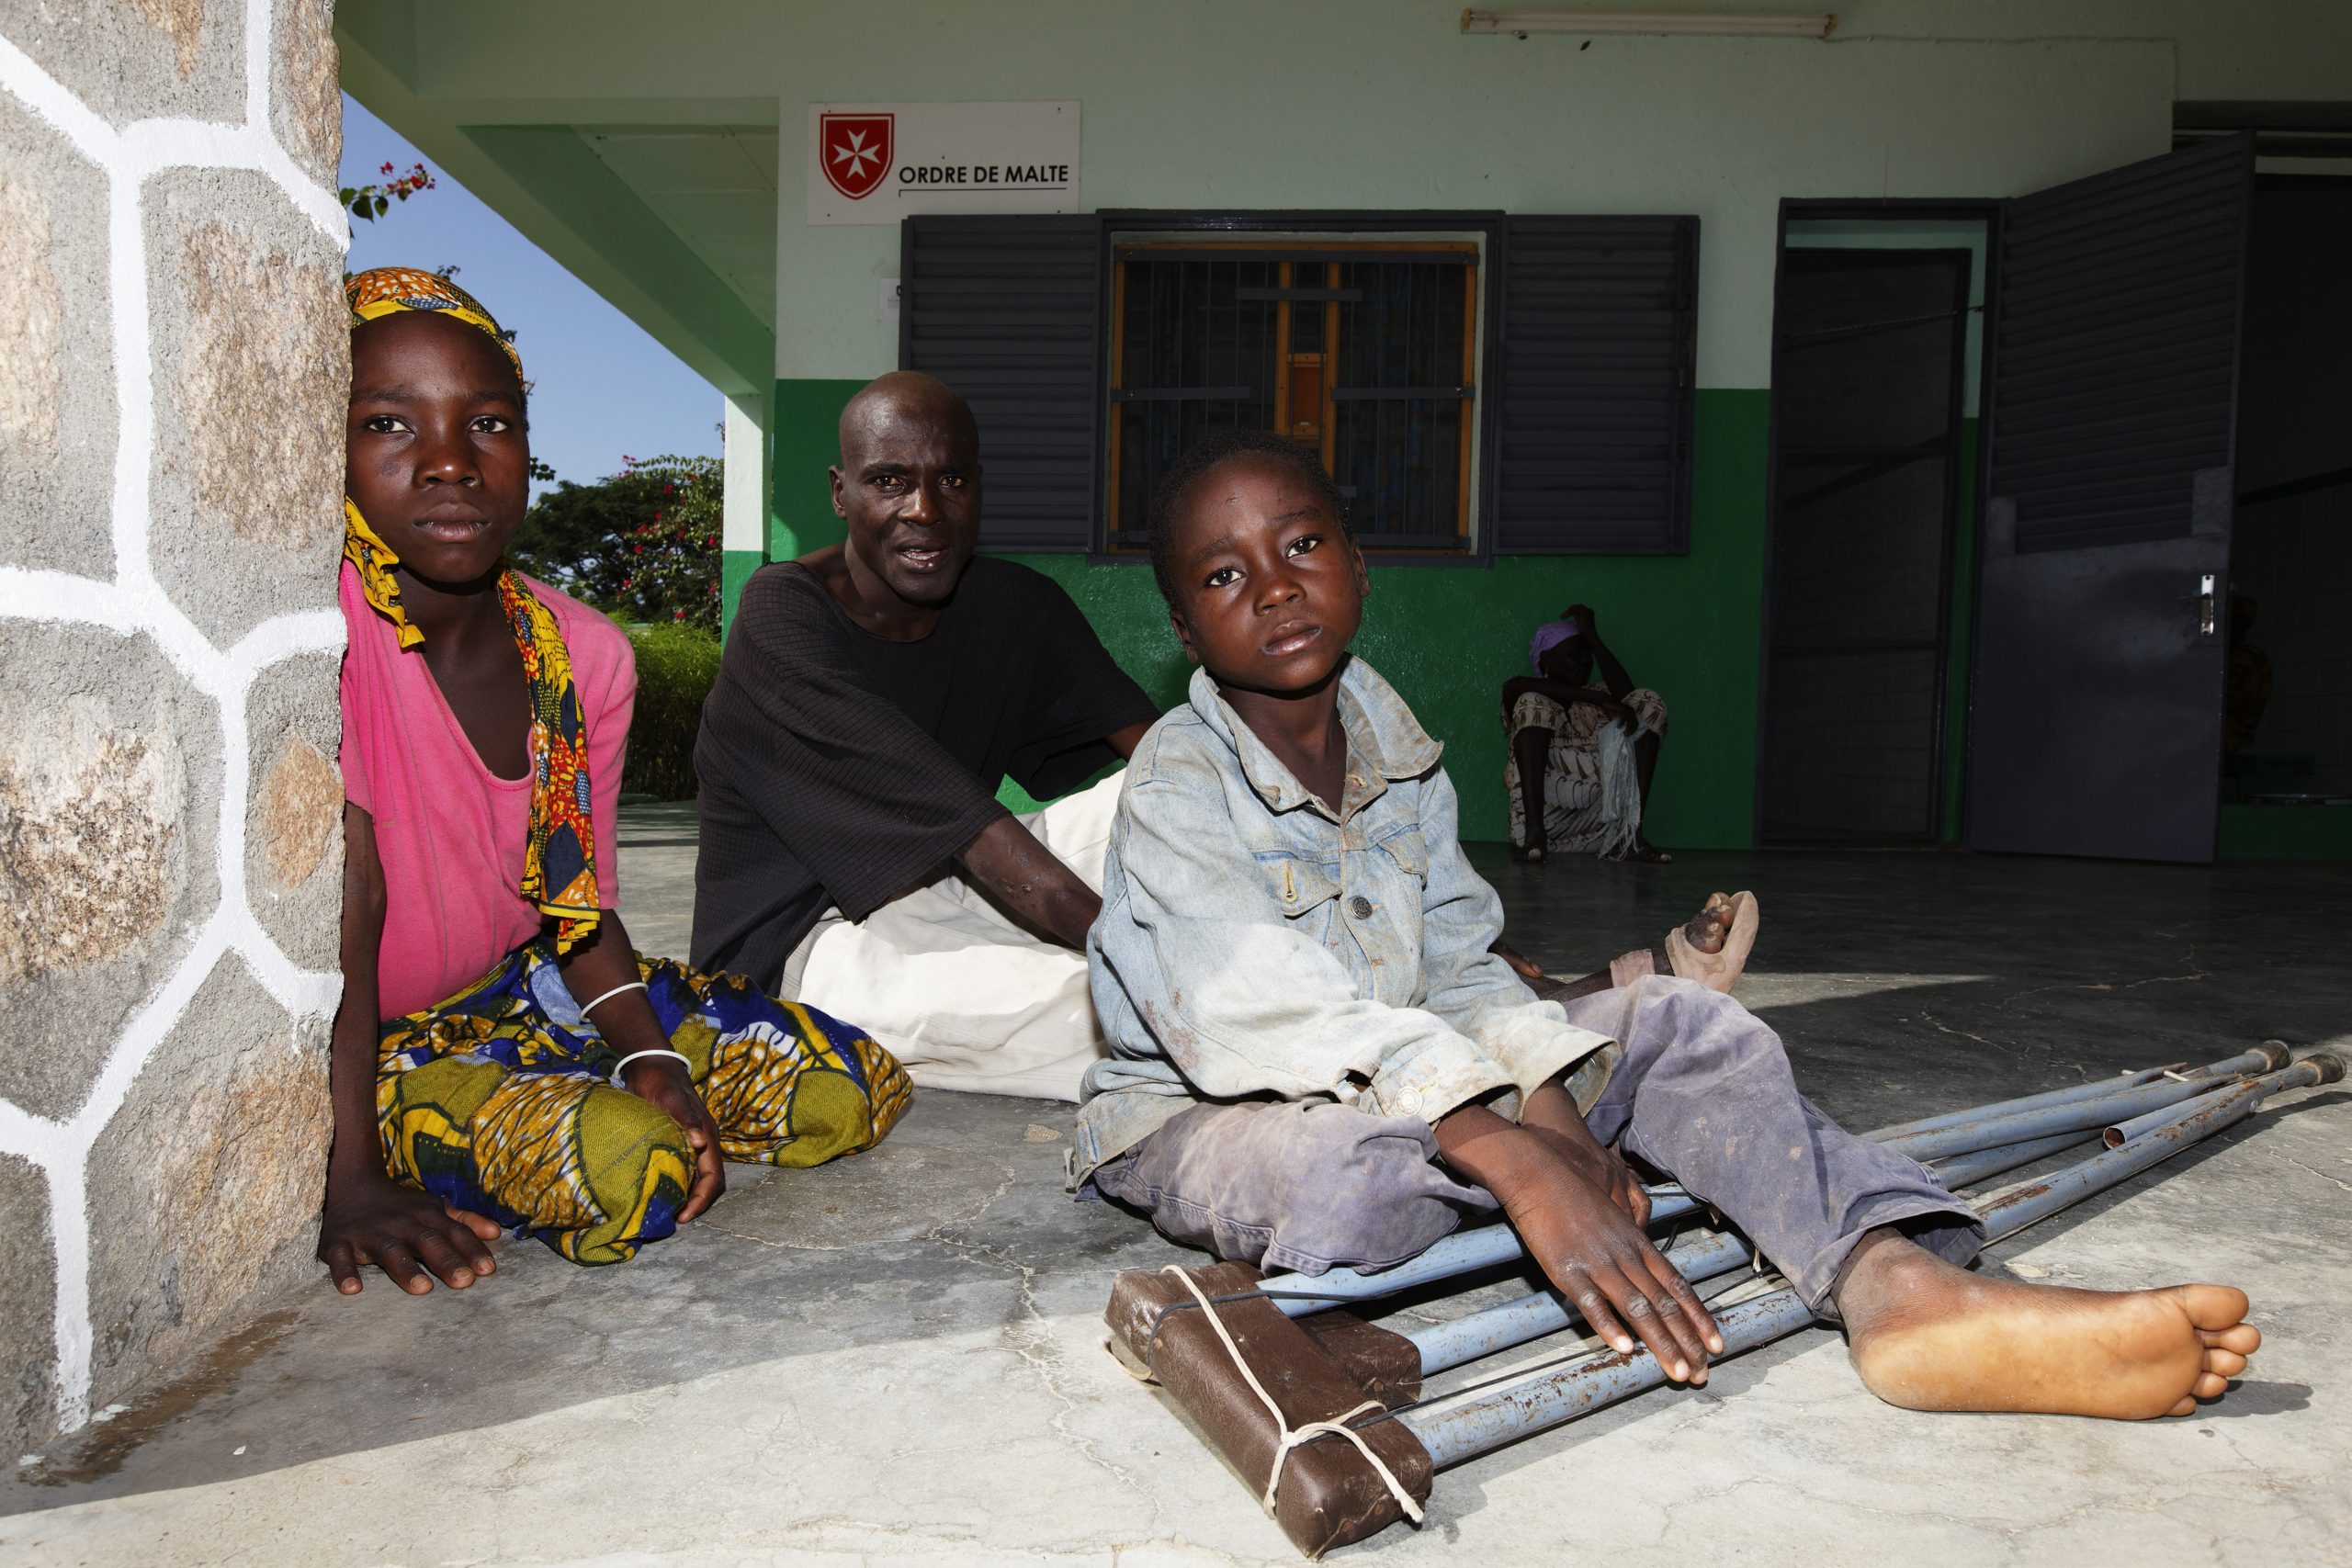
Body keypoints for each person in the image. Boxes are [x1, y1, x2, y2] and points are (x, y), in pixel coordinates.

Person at [1076, 427, 2259, 1420]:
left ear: (1360, 564)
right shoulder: (1179, 780)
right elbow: (1249, 1009)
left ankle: (1894, 1282)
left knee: (1688, 1026)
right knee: (1347, 1185)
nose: (1274, 586)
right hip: (1203, 1108)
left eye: (1300, 544)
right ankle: (1572, 1176)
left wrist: (1547, 1103)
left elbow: (1459, 970)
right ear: (1184, 630)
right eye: (1223, 577)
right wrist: (1520, 1159)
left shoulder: (1405, 762)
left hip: (1431, 1074)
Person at [322, 269, 910, 1296]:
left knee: (848, 1088)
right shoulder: (324, 634)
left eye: (489, 424)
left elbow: (576, 908)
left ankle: (560, 1077)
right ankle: (457, 1114)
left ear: (528, 448)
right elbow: (350, 904)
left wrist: (653, 1058)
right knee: (633, 1171)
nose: (450, 463)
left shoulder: (578, 654)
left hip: (518, 994)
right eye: (388, 423)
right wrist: (350, 1181)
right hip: (367, 1046)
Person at [691, 372, 1162, 1101]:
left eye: (951, 479)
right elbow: (976, 832)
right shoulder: (783, 617)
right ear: (840, 493)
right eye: (889, 480)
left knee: (1179, 782)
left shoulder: (1014, 603)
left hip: (958, 878)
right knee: (1107, 1006)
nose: (926, 510)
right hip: (809, 942)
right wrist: (1154, 959)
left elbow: (1163, 758)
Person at [1502, 606, 1670, 863]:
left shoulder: (1602, 698)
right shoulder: (1536, 695)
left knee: (1648, 703)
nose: (1583, 662)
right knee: (1532, 702)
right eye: (1573, 654)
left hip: (1604, 829)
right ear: (1546, 658)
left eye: (1587, 655)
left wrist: (1592, 635)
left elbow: (1631, 701)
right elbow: (1512, 686)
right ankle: (1535, 833)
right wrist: (1599, 699)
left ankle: (1630, 835)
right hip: (1547, 830)